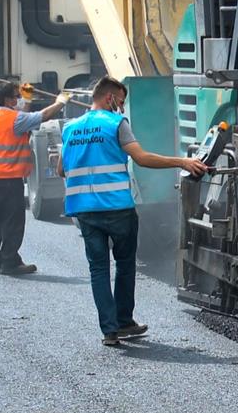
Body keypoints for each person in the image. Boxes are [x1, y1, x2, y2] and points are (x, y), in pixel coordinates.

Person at [58, 75, 209, 347]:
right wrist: (182, 162)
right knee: (125, 264)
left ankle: (109, 331)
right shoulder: (116, 124)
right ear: (109, 98)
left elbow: (61, 169)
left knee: (99, 269)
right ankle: (125, 320)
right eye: (121, 101)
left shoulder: (70, 128)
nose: (122, 107)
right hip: (117, 208)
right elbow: (141, 158)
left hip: (84, 211)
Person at [0, 81, 68, 275]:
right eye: (16, 97)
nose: (18, 99)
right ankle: (10, 262)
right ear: (7, 100)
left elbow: (24, 118)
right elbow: (43, 116)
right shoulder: (15, 120)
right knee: (12, 222)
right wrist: (60, 102)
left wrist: (27, 99)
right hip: (8, 179)